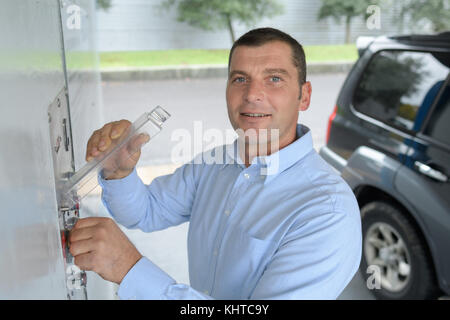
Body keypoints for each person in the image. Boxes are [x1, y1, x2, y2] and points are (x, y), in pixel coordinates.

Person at [69, 27, 362, 299]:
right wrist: (119, 172)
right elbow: (146, 211)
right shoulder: (217, 163)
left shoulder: (327, 211)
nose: (252, 95)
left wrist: (128, 268)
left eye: (274, 79)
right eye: (240, 79)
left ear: (304, 96)